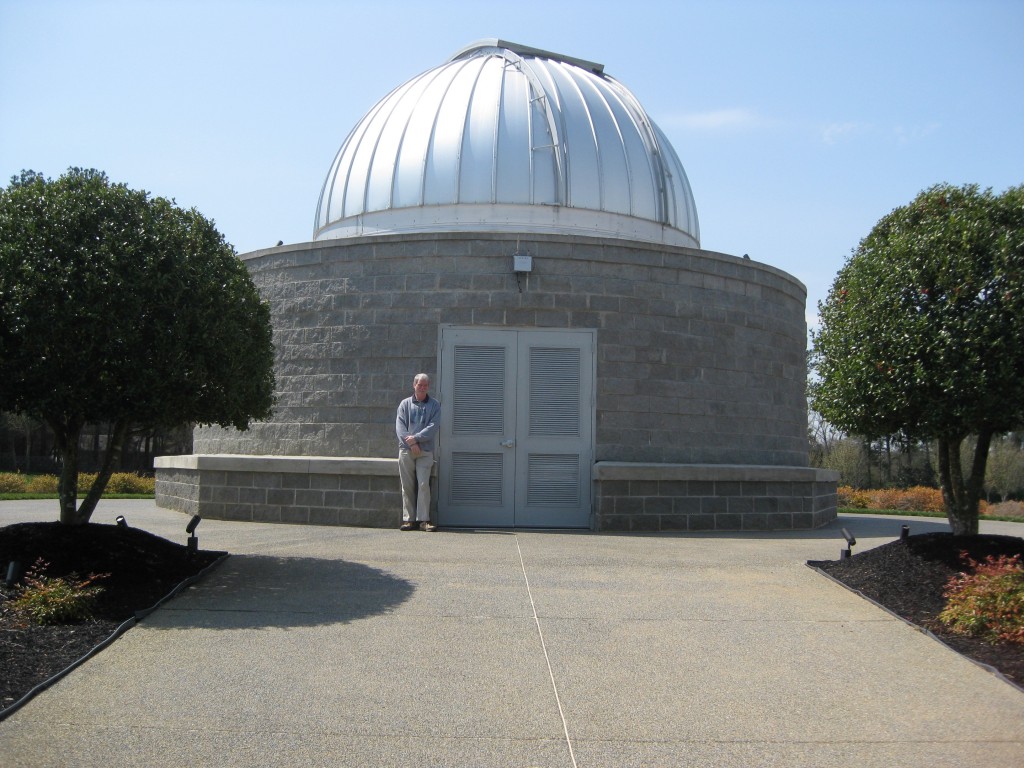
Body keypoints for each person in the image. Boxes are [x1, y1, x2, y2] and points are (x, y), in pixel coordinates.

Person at [395, 373, 441, 531]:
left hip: (425, 451)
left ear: (428, 387)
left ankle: (423, 520)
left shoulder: (434, 405)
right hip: (406, 451)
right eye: (419, 384)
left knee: (423, 485)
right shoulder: (404, 404)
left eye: (425, 385)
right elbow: (400, 428)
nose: (422, 387)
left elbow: (433, 427)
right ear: (414, 385)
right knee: (406, 486)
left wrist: (415, 440)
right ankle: (408, 520)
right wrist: (411, 444)